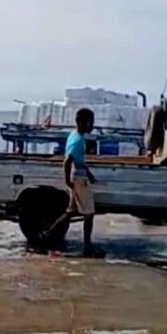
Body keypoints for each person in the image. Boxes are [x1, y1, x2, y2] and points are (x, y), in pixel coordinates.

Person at [42, 108, 101, 256]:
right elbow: (68, 161)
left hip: (79, 175)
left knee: (71, 211)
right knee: (89, 213)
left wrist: (88, 173)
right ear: (81, 122)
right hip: (79, 180)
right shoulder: (77, 140)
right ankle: (87, 247)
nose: (91, 126)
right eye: (90, 123)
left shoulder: (74, 135)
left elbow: (78, 160)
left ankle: (48, 234)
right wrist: (67, 180)